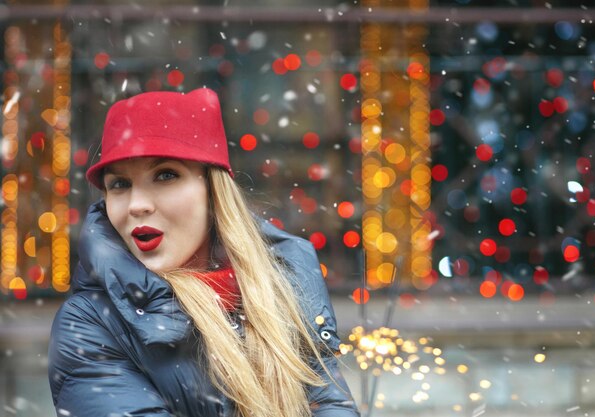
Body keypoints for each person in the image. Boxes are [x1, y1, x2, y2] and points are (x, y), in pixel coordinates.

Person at [47, 88, 360, 417]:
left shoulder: (286, 285)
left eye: (165, 175)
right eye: (120, 184)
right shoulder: (89, 323)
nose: (137, 205)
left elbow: (329, 404)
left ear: (213, 190)